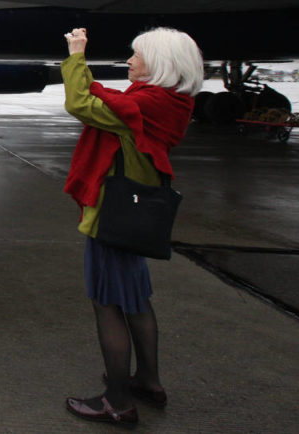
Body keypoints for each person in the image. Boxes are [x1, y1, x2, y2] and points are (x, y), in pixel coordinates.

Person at [61, 27, 203, 427]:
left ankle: (117, 402)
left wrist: (76, 54)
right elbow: (101, 100)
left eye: (136, 55)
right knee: (136, 300)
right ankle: (148, 381)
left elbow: (80, 103)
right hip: (139, 217)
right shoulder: (169, 102)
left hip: (114, 216)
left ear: (158, 63)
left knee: (107, 306)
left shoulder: (142, 106)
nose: (129, 61)